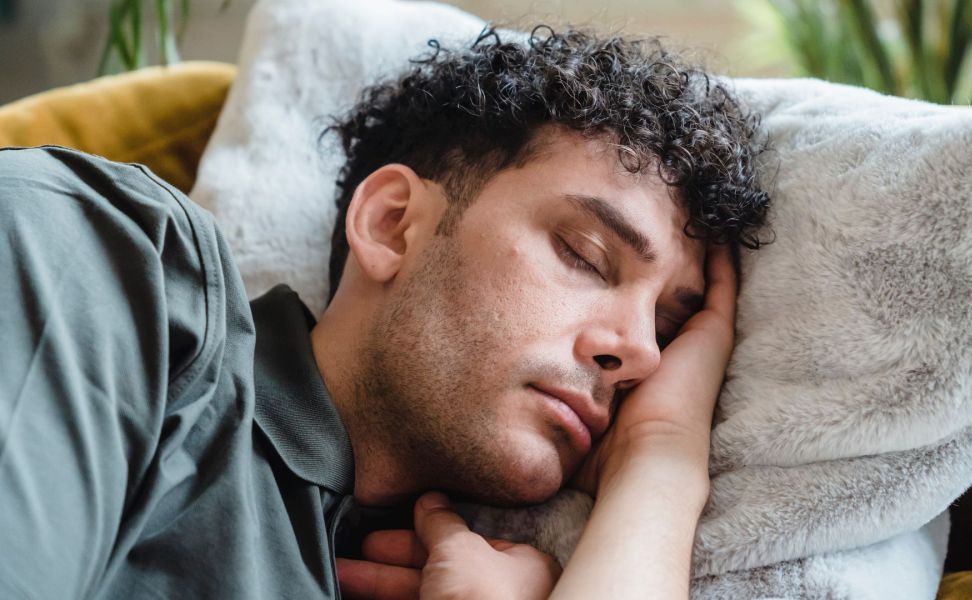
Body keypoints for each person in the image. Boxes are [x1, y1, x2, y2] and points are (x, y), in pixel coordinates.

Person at [0, 26, 768, 600]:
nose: (640, 352)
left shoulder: (453, 580)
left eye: (668, 329)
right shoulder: (122, 261)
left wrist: (658, 464)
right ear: (393, 223)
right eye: (585, 255)